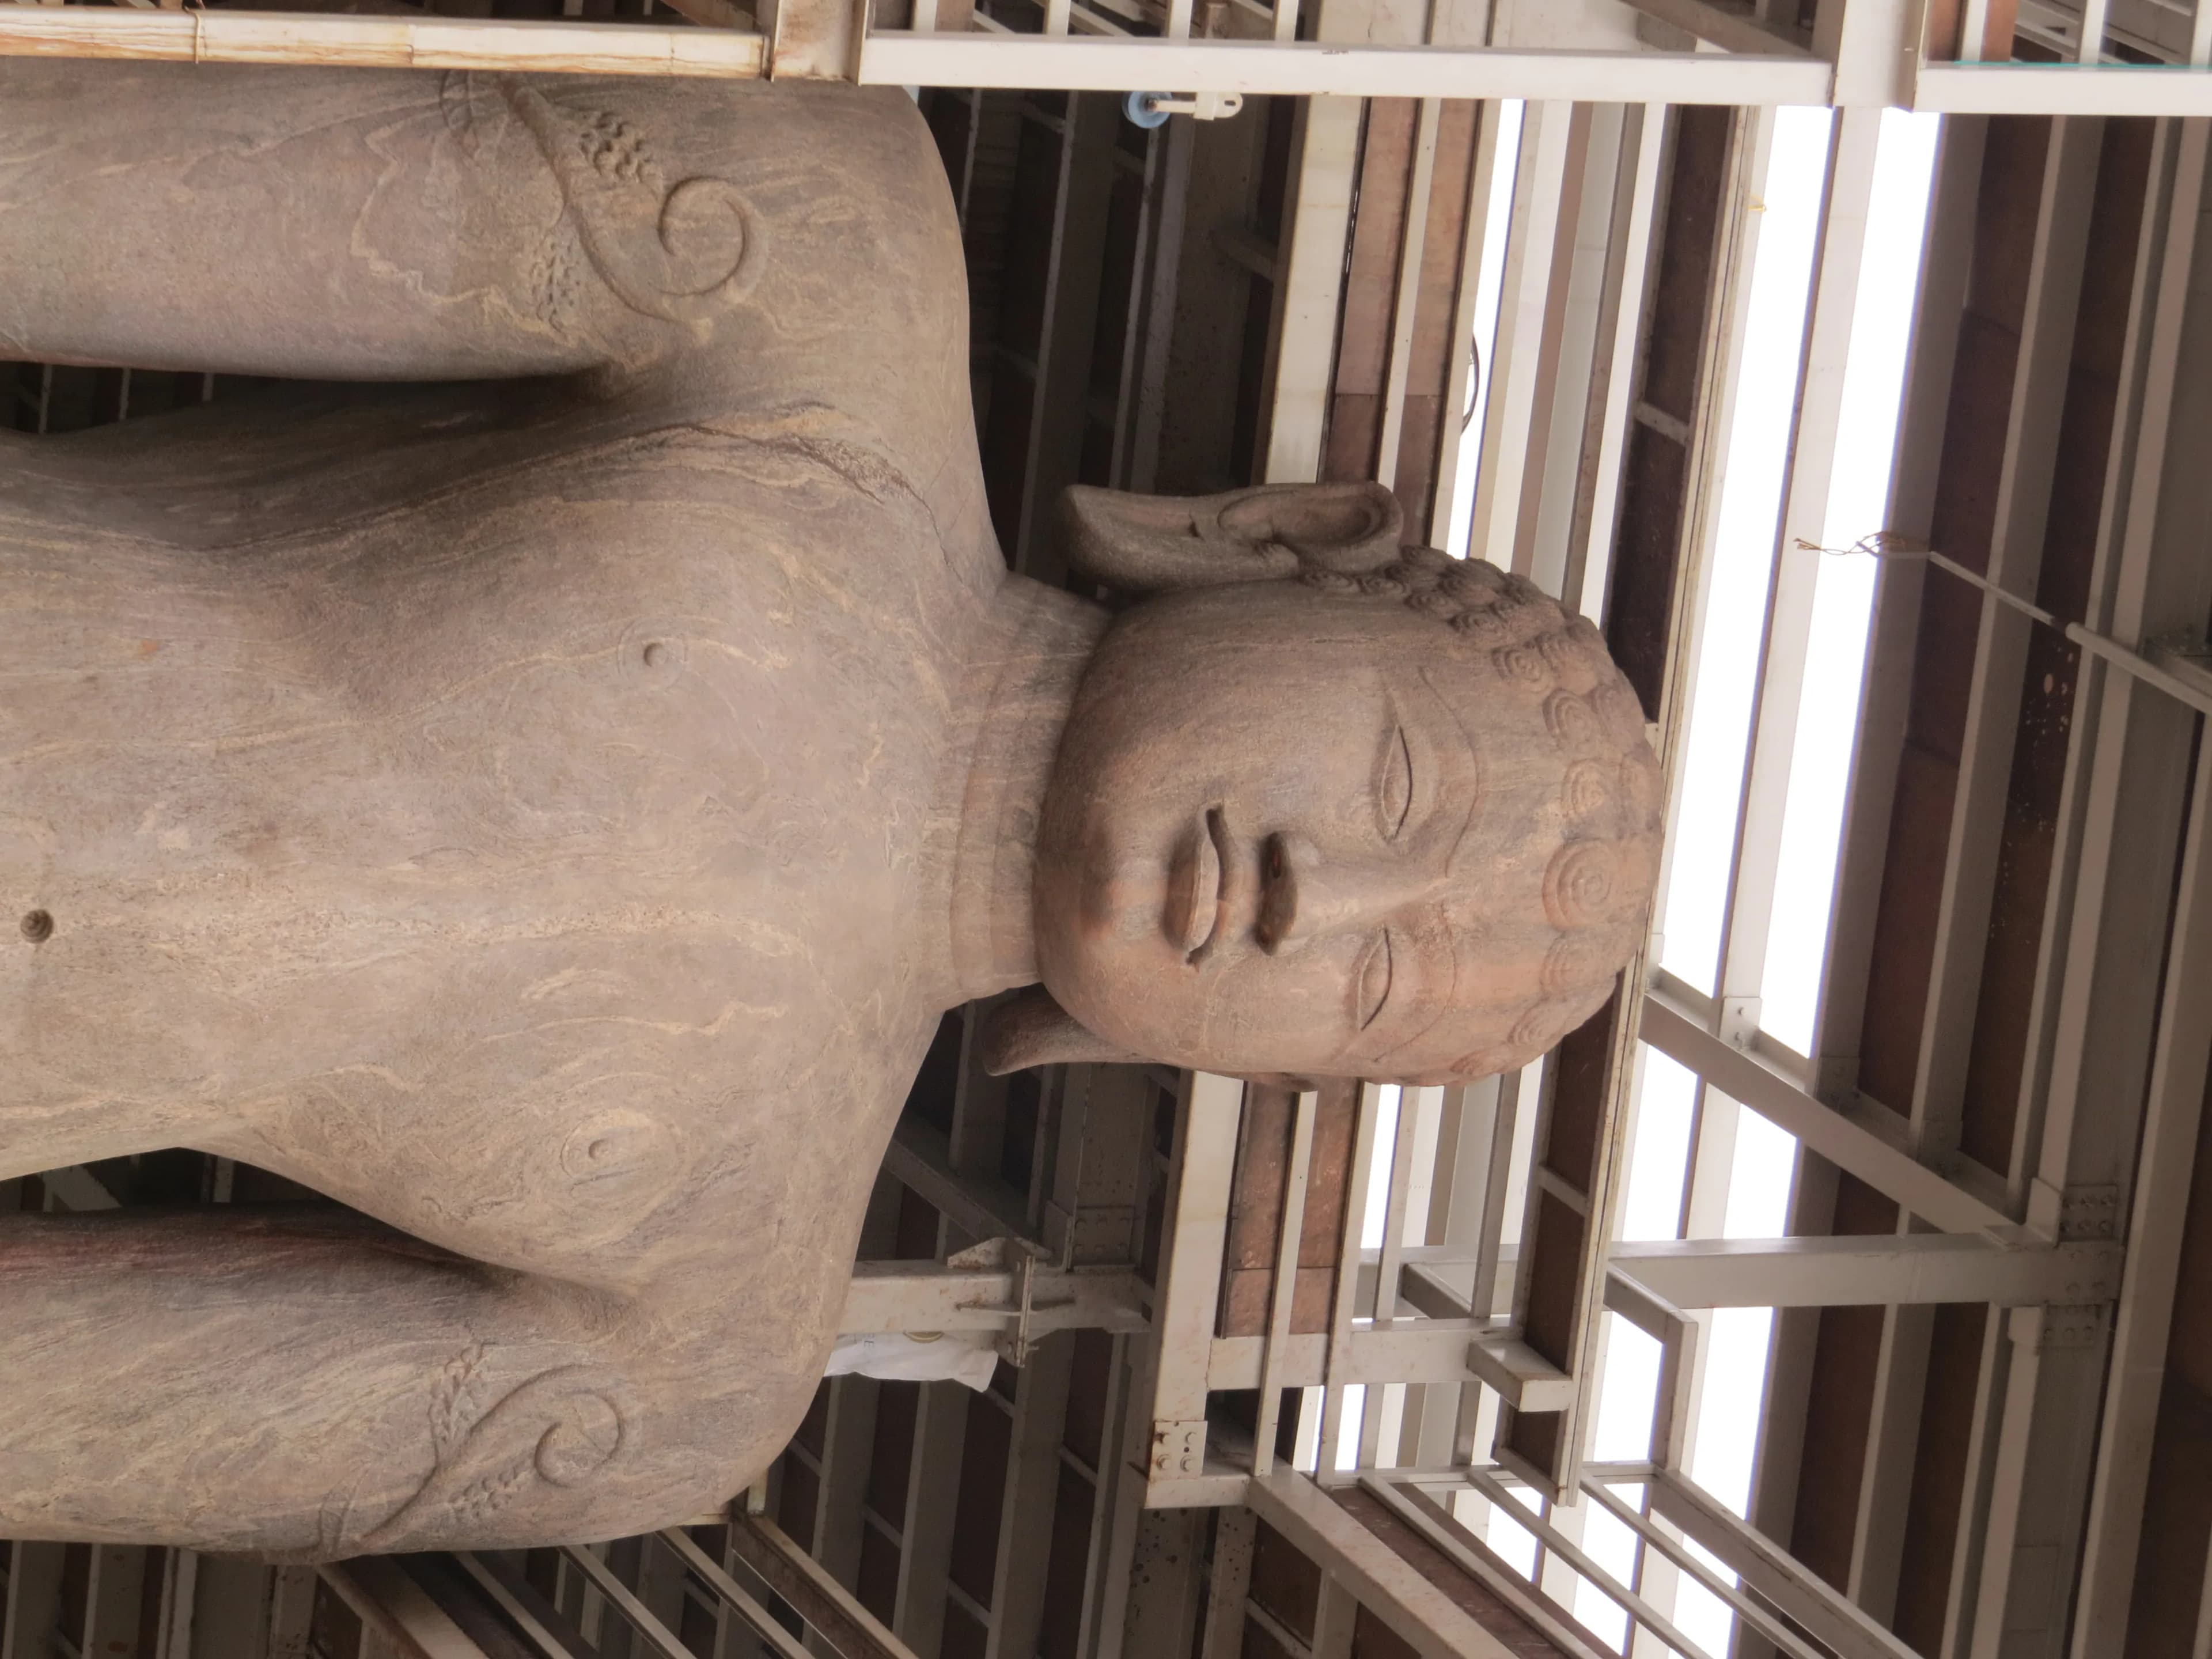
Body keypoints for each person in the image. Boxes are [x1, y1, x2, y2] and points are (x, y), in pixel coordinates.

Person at [0, 62, 1658, 1555]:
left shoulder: (688, 1364)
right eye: (1397, 782)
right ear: (1268, 537)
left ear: (1227, 1066)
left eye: (1367, 987)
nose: (1318, 896)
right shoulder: (813, 265)